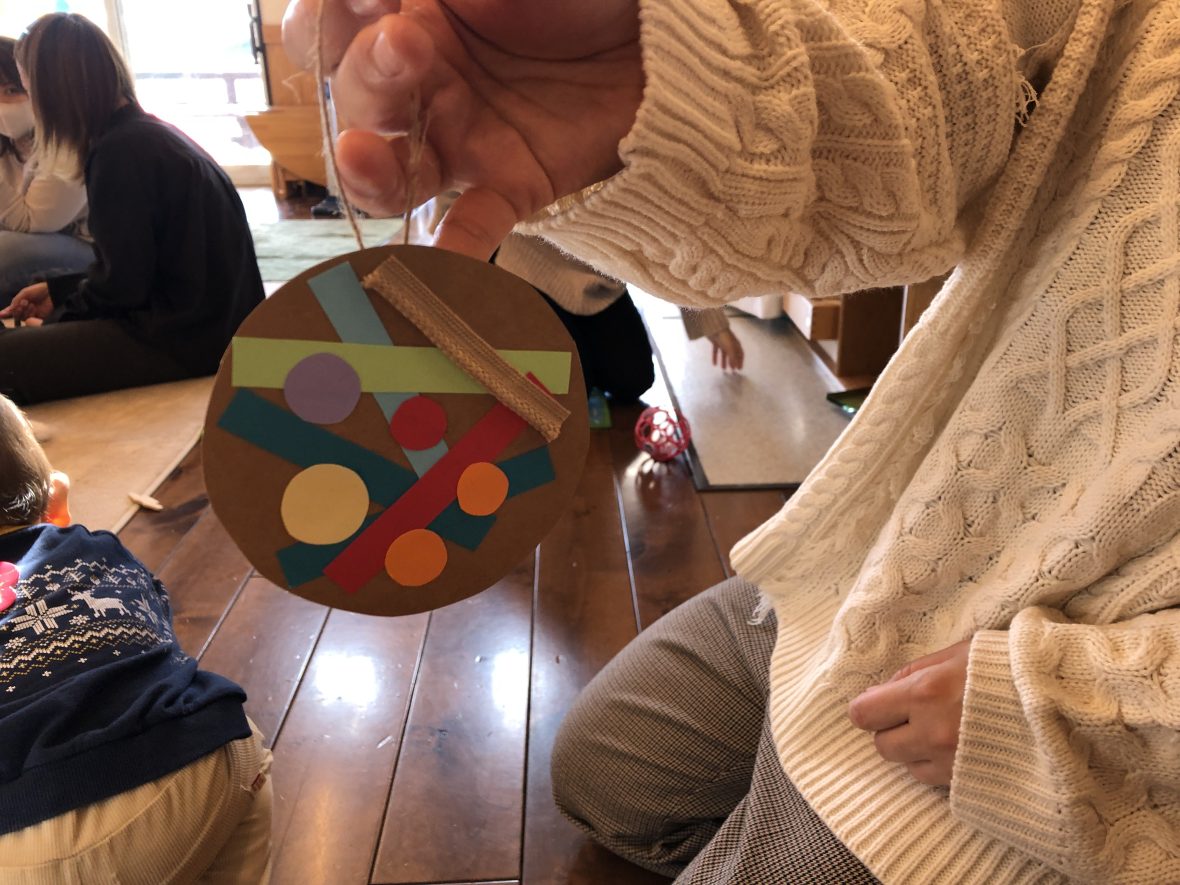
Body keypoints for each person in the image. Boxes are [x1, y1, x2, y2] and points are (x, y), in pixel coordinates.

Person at [284, 1, 1180, 882]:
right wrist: (672, 86)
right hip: (896, 548)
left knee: (612, 368)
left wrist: (1079, 707)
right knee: (603, 769)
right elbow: (937, 87)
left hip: (1075, 697)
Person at [0, 395, 273, 882]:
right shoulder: (95, 547)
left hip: (48, 834)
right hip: (215, 747)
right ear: (57, 503)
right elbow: (156, 629)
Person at [0, 14, 264, 406]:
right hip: (211, 323)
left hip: (186, 339)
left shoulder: (120, 153)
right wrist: (60, 292)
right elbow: (141, 270)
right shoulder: (144, 133)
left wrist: (59, 320)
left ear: (51, 90)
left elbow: (122, 289)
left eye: (26, 89)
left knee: (7, 358)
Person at [409, 192, 746, 402]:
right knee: (569, 390)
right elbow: (455, 195)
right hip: (528, 263)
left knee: (634, 381)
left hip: (601, 278)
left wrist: (710, 319)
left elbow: (677, 234)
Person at [0, 35, 91, 308]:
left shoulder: (68, 142)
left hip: (90, 249)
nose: (2, 103)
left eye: (12, 90)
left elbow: (31, 222)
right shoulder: (10, 143)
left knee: (5, 252)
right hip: (44, 240)